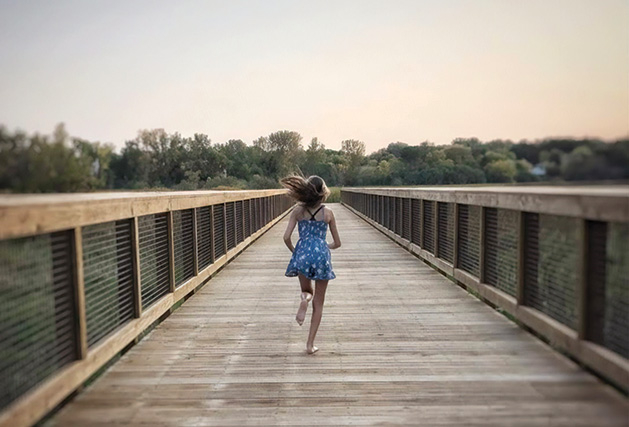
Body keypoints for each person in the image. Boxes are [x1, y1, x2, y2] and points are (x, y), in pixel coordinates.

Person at [281, 175, 341, 354]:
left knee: (307, 291)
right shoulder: (328, 213)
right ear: (323, 192)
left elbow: (286, 237)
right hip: (321, 256)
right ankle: (310, 345)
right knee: (319, 303)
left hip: (303, 255)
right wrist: (325, 247)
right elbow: (337, 243)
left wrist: (296, 252)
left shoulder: (297, 211)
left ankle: (303, 300)